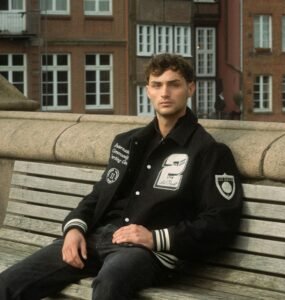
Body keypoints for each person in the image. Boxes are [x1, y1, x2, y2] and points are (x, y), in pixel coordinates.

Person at [0, 53, 243, 300]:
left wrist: (154, 238)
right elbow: (98, 195)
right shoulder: (128, 142)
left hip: (147, 252)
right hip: (96, 238)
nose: (165, 93)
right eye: (157, 85)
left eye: (174, 84)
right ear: (148, 90)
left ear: (190, 88)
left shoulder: (208, 151)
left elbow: (221, 221)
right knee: (9, 282)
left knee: (109, 286)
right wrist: (74, 228)